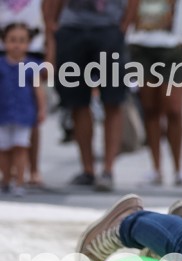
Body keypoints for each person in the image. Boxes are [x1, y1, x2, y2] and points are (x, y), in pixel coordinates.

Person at [42, 0, 138, 192]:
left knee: (113, 100)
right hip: (72, 30)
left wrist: (123, 27)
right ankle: (88, 169)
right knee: (77, 102)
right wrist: (51, 30)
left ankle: (108, 169)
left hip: (108, 30)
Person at [128, 0, 182, 187]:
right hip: (142, 44)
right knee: (150, 109)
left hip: (172, 46)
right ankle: (156, 168)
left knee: (174, 109)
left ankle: (178, 169)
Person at [0, 0, 44, 187]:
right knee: (3, 147)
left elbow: (38, 89)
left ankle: (20, 180)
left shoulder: (31, 66)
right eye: (12, 41)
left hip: (24, 111)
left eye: (21, 41)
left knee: (21, 146)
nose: (17, 45)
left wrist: (41, 109)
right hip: (4, 111)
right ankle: (5, 178)